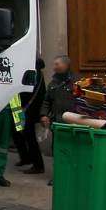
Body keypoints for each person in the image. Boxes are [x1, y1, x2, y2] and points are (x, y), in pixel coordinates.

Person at [40, 55, 78, 185]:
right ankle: (58, 176)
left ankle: (73, 175)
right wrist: (44, 115)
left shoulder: (77, 81)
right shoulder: (53, 83)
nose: (54, 67)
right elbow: (46, 101)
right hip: (57, 123)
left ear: (66, 65)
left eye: (57, 64)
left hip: (74, 124)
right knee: (58, 151)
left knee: (73, 150)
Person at [18, 58, 47, 174]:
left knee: (28, 135)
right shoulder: (37, 73)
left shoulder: (33, 73)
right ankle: (26, 157)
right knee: (20, 132)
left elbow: (26, 92)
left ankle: (37, 164)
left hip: (25, 108)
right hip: (26, 108)